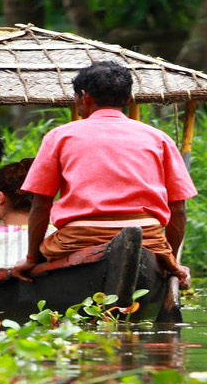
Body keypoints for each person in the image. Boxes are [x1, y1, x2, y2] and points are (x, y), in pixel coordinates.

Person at [11, 61, 194, 283]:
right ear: (128, 99)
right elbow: (178, 209)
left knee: (44, 252)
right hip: (147, 238)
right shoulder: (158, 138)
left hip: (79, 239)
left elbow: (40, 205)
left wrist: (31, 258)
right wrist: (170, 261)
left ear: (84, 97)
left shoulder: (59, 136)